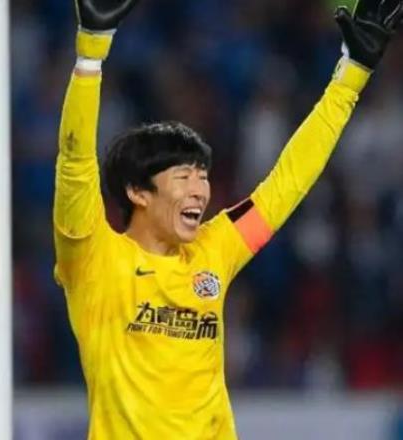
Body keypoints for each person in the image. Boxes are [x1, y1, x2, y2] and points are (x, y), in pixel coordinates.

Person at [53, 0, 403, 438]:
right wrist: (91, 53)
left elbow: (286, 183)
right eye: (183, 177)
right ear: (137, 192)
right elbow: (75, 164)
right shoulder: (95, 259)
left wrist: (351, 76)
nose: (200, 190)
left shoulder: (213, 249)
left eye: (202, 176)